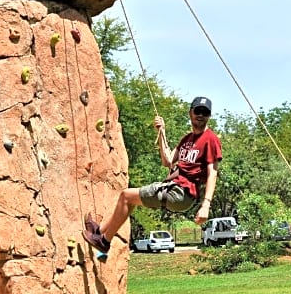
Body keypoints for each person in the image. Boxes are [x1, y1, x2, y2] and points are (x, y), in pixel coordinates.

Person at [82, 96, 222, 254]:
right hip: (175, 188)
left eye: (205, 112)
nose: (201, 115)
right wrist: (161, 132)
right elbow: (168, 160)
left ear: (209, 116)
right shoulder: (187, 139)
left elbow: (213, 173)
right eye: (198, 110)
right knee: (129, 199)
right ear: (190, 113)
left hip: (182, 193)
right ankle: (99, 231)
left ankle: (104, 241)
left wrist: (206, 205)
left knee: (126, 196)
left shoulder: (211, 139)